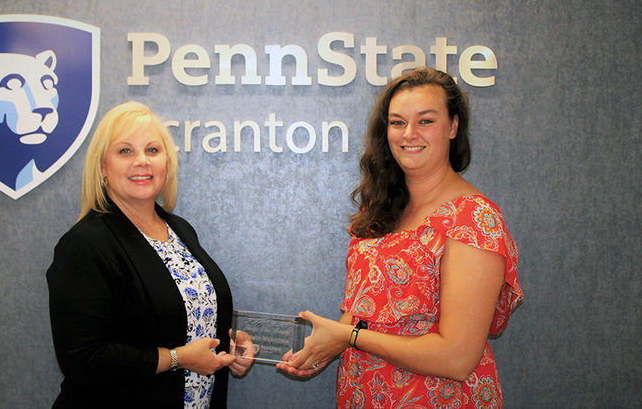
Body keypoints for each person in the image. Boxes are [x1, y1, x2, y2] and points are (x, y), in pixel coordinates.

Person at [277, 68, 523, 408]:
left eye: (425, 121)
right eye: (397, 122)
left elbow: (457, 357)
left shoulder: (473, 220)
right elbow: (366, 305)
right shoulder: (382, 208)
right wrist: (328, 343)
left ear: (453, 127)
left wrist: (350, 337)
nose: (409, 134)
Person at [47, 101, 253, 408]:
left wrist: (227, 346)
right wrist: (177, 359)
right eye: (125, 151)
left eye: (153, 150)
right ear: (103, 167)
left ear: (167, 163)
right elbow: (84, 359)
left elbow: (181, 316)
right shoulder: (84, 245)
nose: (142, 161)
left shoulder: (180, 230)